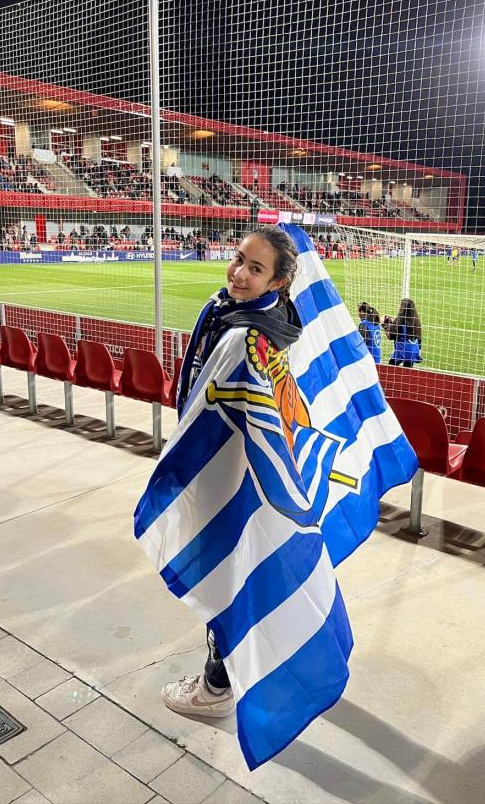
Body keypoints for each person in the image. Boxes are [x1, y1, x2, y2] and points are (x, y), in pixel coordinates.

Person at [160, 226, 302, 719]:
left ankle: (216, 686)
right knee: (242, 567)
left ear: (277, 282)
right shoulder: (245, 314)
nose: (239, 273)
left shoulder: (246, 334)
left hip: (229, 472)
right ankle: (250, 657)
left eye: (255, 268)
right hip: (237, 469)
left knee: (222, 572)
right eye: (239, 258)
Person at [383, 297, 422, 367]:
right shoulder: (416, 322)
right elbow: (419, 339)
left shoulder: (399, 321)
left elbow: (390, 336)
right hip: (413, 351)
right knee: (407, 372)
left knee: (389, 369)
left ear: (402, 308)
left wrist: (385, 325)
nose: (398, 306)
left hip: (402, 352)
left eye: (400, 305)